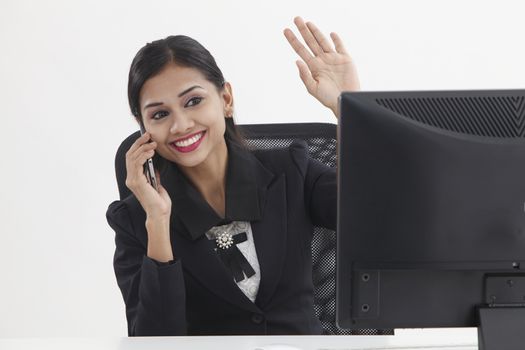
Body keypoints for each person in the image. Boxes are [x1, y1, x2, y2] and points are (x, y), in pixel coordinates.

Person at [106, 16, 360, 336]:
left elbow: (373, 214)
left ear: (225, 99)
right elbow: (154, 340)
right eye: (160, 114)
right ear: (143, 127)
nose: (181, 125)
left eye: (194, 101)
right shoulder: (134, 219)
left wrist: (349, 109)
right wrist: (157, 222)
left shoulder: (290, 171)